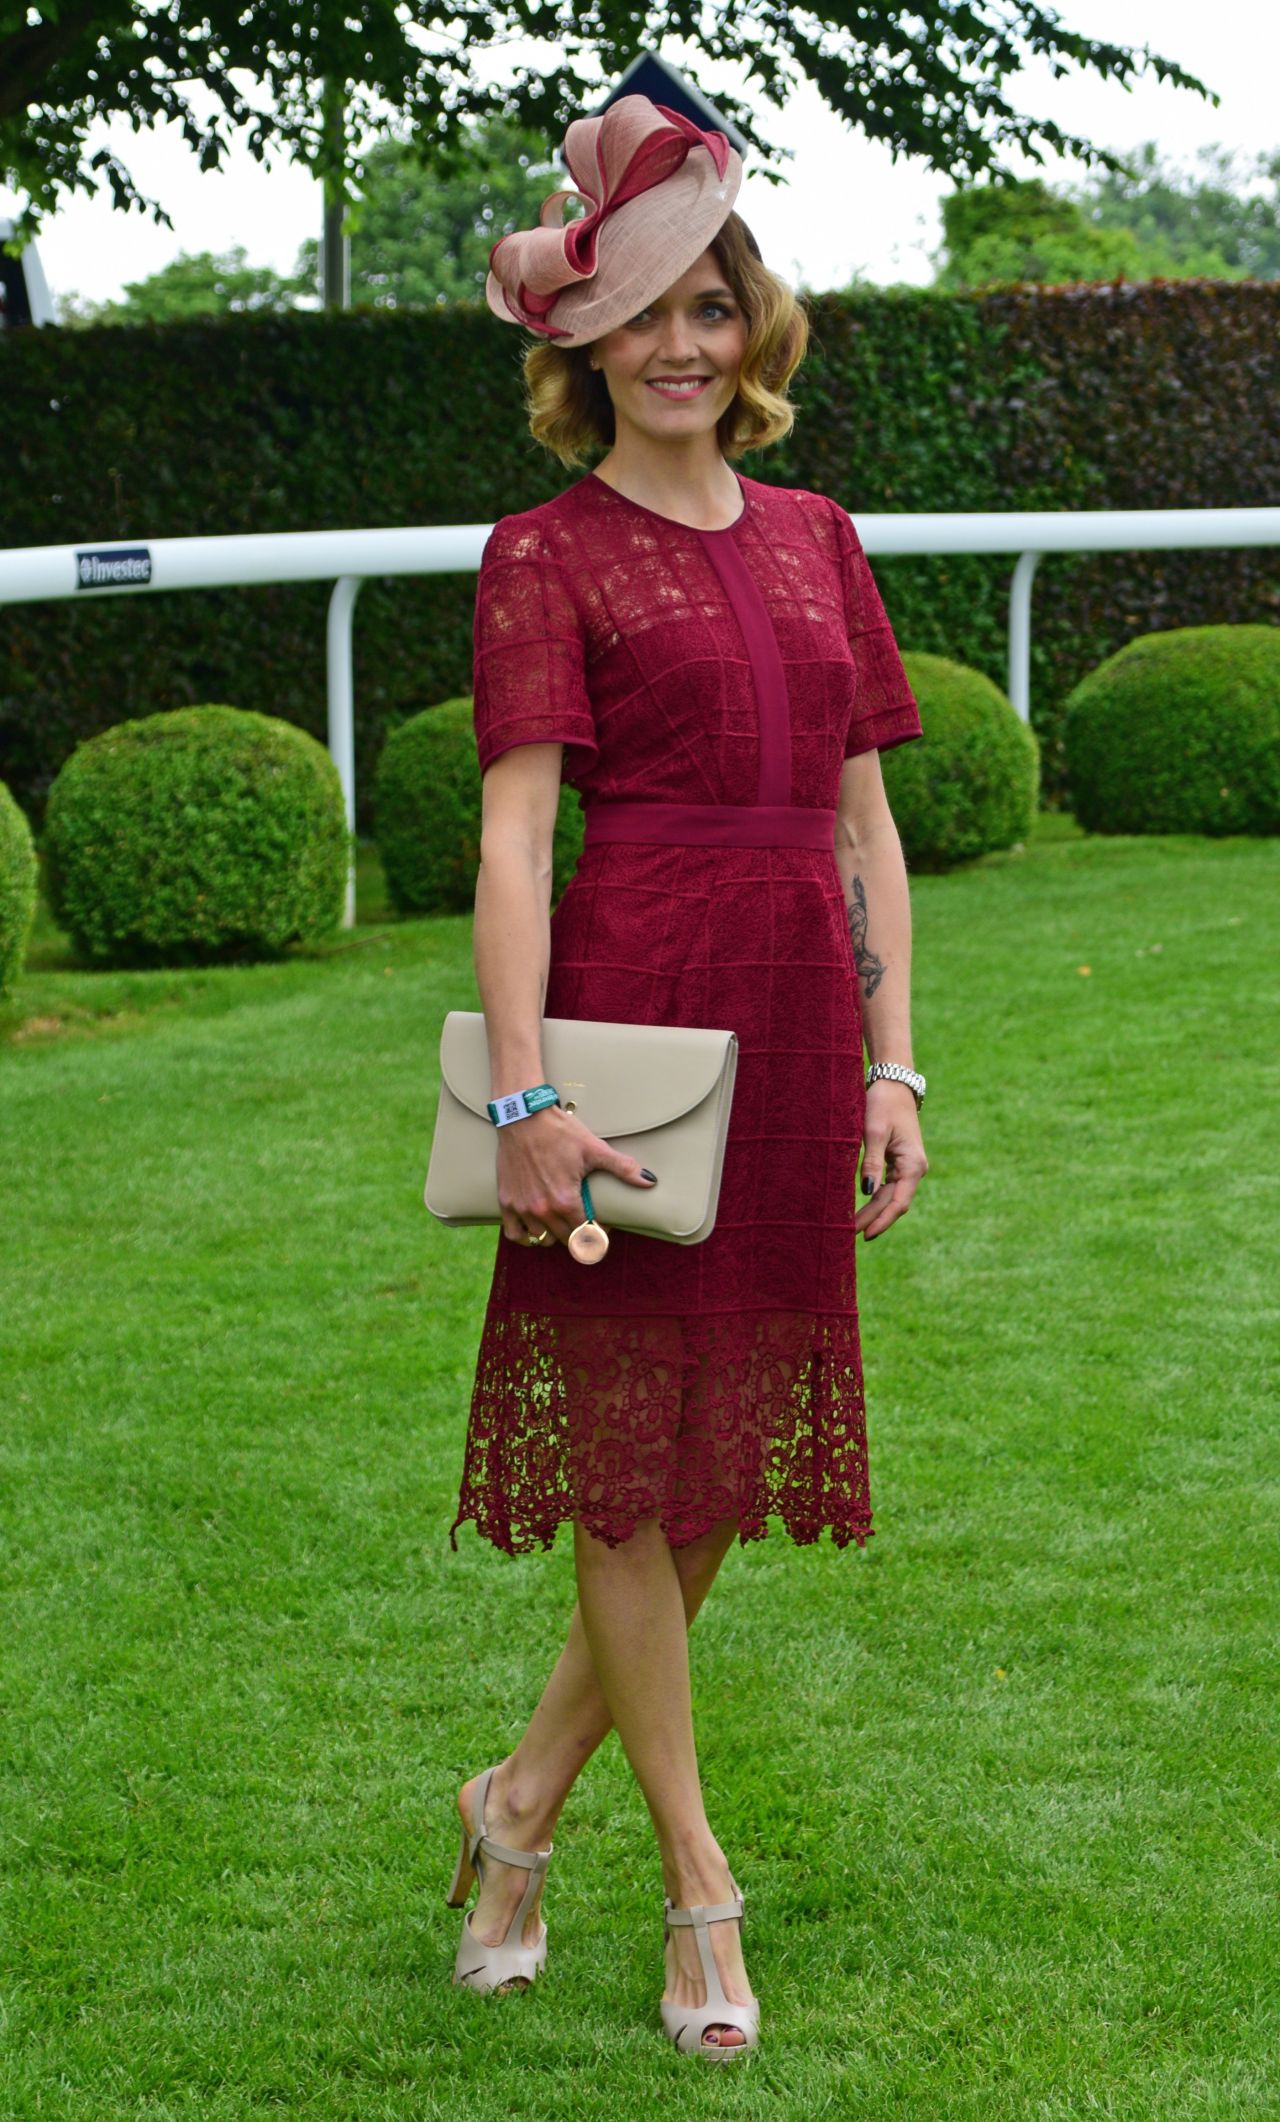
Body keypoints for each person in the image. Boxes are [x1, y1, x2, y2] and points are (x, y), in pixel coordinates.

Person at [444, 94, 928, 2059]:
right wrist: (523, 1097)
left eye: (707, 305)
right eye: (637, 314)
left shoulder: (822, 542)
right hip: (627, 1023)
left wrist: (899, 1060)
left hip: (801, 1025)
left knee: (721, 1461)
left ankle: (514, 1802)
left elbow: (865, 823)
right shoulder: (538, 553)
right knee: (629, 1475)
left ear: (754, 328)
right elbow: (506, 846)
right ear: (583, 348)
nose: (676, 344)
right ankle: (695, 1882)